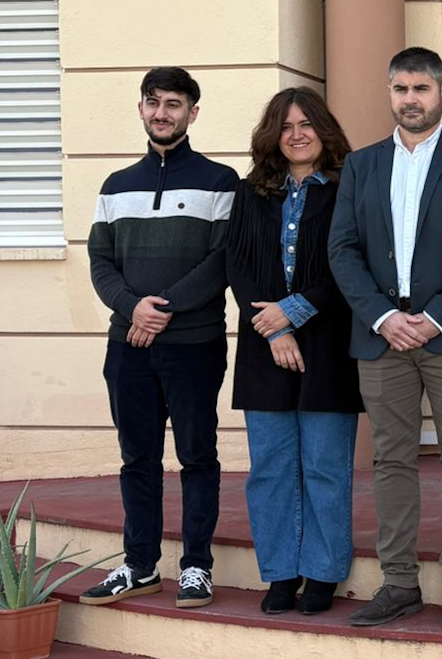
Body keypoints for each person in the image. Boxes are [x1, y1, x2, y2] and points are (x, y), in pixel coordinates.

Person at [328, 46, 442, 631]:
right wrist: (382, 316)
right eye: (401, 89)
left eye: (421, 89)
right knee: (390, 459)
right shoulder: (362, 165)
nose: (410, 100)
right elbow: (342, 249)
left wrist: (435, 317)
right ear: (390, 94)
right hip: (381, 337)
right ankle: (398, 582)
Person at [80, 68, 237, 609]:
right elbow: (100, 262)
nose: (162, 112)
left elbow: (222, 262)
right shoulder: (115, 186)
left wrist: (160, 310)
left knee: (197, 456)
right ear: (141, 109)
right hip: (128, 346)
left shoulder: (221, 182)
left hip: (193, 344)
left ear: (193, 112)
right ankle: (139, 565)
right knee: (137, 458)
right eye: (153, 102)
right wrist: (132, 309)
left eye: (174, 103)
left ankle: (196, 567)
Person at [225, 88, 362, 616]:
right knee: (272, 468)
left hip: (329, 343)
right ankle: (280, 572)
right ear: (272, 136)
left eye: (306, 124)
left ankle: (323, 572)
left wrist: (297, 311)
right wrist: (275, 329)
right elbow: (238, 265)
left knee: (326, 465)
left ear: (323, 130)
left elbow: (351, 266)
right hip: (264, 345)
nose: (297, 134)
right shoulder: (250, 192)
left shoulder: (349, 189)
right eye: (286, 126)